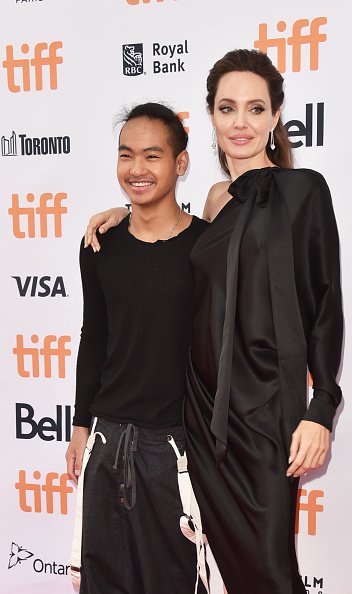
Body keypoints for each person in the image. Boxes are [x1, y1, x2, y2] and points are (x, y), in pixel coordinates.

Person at [84, 49, 343, 594]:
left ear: (275, 117)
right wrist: (121, 215)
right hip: (200, 417)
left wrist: (321, 409)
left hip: (269, 419)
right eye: (227, 109)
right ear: (213, 118)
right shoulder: (214, 200)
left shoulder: (306, 192)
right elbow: (179, 264)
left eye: (255, 108)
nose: (240, 123)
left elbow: (324, 306)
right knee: (206, 568)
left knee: (270, 572)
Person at [65, 102, 209, 594]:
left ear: (181, 163)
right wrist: (82, 424)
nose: (137, 169)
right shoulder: (99, 245)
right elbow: (95, 337)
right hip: (106, 444)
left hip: (175, 450)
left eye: (153, 156)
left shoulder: (208, 247)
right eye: (127, 155)